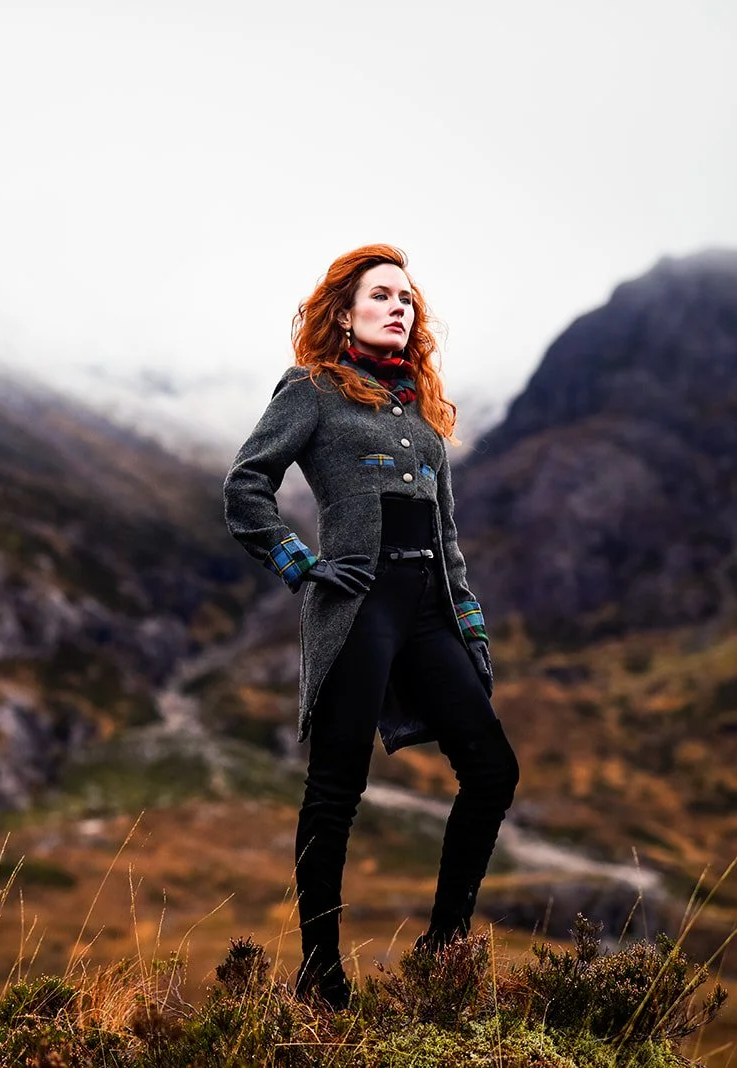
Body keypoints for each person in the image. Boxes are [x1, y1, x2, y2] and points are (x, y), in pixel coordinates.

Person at [221, 244, 520, 1010]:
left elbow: (447, 536)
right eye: (381, 295)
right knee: (336, 790)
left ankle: (444, 949)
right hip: (358, 605)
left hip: (429, 609)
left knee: (492, 770)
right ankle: (321, 973)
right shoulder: (312, 391)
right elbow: (246, 485)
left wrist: (472, 631)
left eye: (407, 299)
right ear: (346, 312)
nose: (398, 307)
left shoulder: (421, 413)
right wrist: (299, 563)